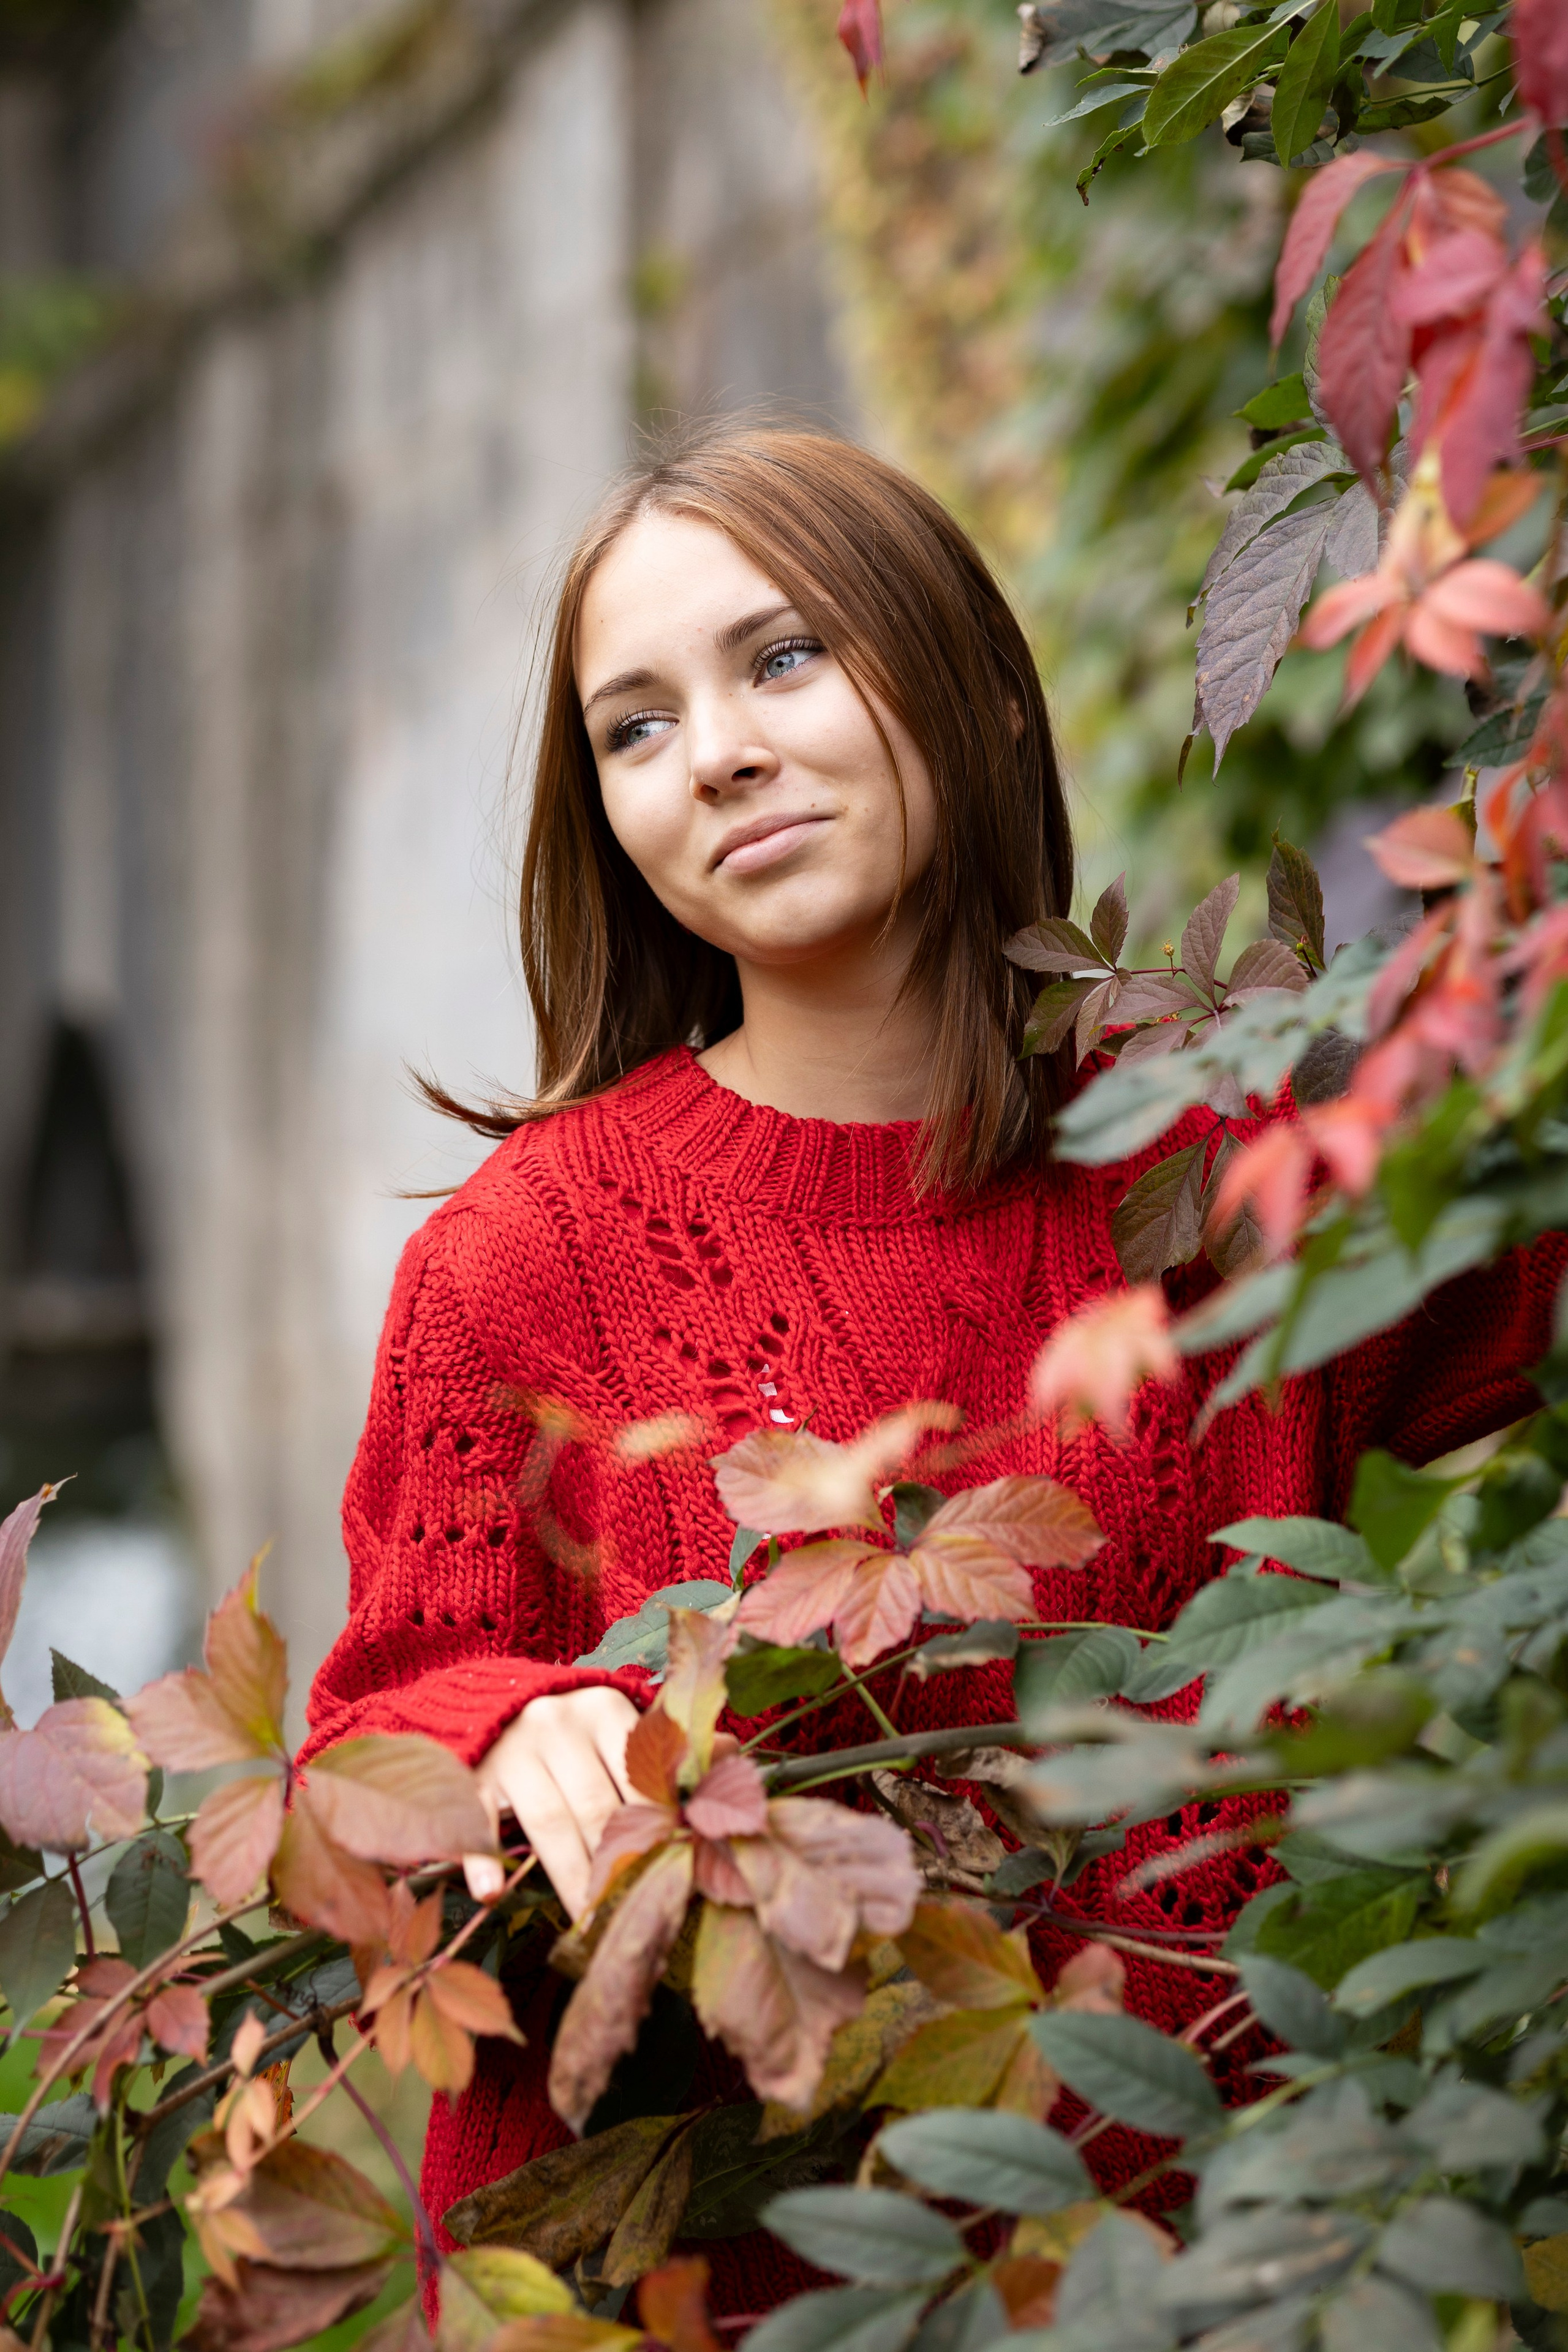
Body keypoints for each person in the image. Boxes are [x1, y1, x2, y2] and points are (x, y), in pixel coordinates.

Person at [302, 425, 1562, 2306]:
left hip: (1234, 2275)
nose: (712, 749)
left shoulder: (1215, 1178)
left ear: (972, 679)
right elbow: (356, 1756)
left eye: (781, 656)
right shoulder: (517, 1263)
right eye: (631, 727)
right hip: (711, 2298)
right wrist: (500, 1726)